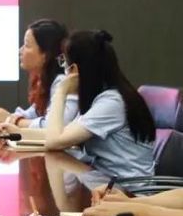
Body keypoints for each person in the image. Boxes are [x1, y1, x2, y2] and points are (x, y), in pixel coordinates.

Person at [38, 30, 155, 189]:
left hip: (130, 193)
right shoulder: (99, 98)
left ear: (75, 70)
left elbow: (53, 142)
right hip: (106, 185)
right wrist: (19, 132)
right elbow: (58, 134)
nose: (64, 70)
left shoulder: (112, 102)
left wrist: (61, 91)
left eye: (64, 62)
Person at [0, 19, 78, 129]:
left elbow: (53, 126)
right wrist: (2, 116)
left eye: (27, 45)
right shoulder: (44, 81)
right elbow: (32, 114)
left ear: (45, 54)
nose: (20, 50)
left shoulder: (63, 81)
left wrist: (11, 120)